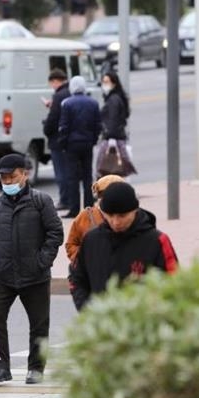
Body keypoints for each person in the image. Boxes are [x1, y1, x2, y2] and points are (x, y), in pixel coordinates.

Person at [0, 154, 63, 384]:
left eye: (12, 177)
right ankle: (0, 367)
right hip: (3, 275)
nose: (7, 182)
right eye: (4, 179)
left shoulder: (40, 201)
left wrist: (42, 261)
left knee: (39, 324)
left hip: (35, 276)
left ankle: (35, 368)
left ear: (24, 175)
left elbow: (55, 233)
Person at [69, 182, 179, 310]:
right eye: (110, 215)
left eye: (122, 216)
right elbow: (77, 278)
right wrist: (87, 309)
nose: (116, 222)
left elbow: (174, 283)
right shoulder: (91, 240)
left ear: (134, 211)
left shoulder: (157, 241)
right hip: (99, 323)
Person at [58, 75, 102, 218]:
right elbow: (97, 126)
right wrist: (93, 140)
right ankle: (89, 206)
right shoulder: (93, 103)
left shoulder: (67, 103)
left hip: (72, 145)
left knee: (72, 177)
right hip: (87, 143)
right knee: (87, 176)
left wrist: (63, 143)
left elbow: (64, 126)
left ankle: (74, 208)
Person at [65, 174, 126, 264]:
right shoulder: (85, 216)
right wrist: (85, 259)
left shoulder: (130, 215)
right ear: (99, 197)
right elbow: (71, 244)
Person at [42, 68, 71, 211]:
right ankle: (71, 198)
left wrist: (46, 130)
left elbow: (53, 118)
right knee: (69, 170)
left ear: (55, 81)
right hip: (68, 139)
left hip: (57, 139)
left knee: (61, 172)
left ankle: (64, 200)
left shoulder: (59, 96)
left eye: (51, 83)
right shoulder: (69, 92)